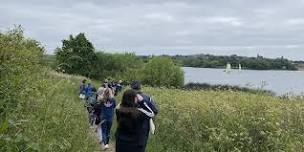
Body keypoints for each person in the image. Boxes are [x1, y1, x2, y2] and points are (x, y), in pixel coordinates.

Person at [130, 80, 159, 149]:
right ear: (140, 87)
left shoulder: (127, 97)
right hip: (144, 127)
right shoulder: (147, 98)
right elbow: (155, 111)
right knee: (141, 147)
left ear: (131, 87)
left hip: (130, 125)